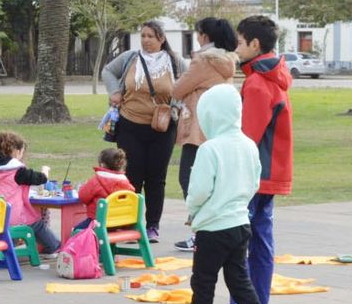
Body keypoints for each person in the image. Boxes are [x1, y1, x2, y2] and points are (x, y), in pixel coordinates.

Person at [158, 85, 273, 304]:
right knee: (239, 280)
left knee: (203, 282)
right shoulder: (248, 145)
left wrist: (194, 211)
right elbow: (254, 181)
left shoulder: (210, 149)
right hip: (240, 223)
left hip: (213, 227)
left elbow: (198, 191)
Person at [207, 15, 292, 304]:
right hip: (268, 173)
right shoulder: (272, 77)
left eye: (240, 42)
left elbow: (246, 136)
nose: (236, 47)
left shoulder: (257, 83)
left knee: (241, 247)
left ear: (255, 45)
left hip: (255, 175)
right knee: (258, 244)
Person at [100, 20, 188, 241]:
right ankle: (129, 223)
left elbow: (187, 84)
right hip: (130, 126)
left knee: (156, 178)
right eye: (144, 36)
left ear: (162, 39)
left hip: (162, 128)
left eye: (151, 36)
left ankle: (152, 226)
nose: (146, 40)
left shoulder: (174, 61)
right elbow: (108, 71)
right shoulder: (131, 58)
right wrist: (114, 92)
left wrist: (176, 105)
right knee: (131, 176)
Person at [171, 17, 238, 251]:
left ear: (204, 36)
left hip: (199, 129)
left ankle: (201, 233)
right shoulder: (227, 61)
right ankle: (212, 231)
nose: (197, 37)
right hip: (220, 127)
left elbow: (177, 89)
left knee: (189, 179)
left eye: (198, 33)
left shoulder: (203, 61)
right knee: (215, 182)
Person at [0, 131, 60, 254]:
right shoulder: (17, 171)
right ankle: (54, 246)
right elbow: (41, 179)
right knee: (36, 223)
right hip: (11, 217)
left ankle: (2, 248)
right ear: (17, 151)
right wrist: (45, 170)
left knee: (21, 224)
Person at [76, 148, 134, 229]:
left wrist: (83, 187)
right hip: (120, 221)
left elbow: (83, 197)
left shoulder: (96, 181)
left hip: (98, 221)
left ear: (102, 164)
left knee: (75, 230)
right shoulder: (125, 182)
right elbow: (132, 195)